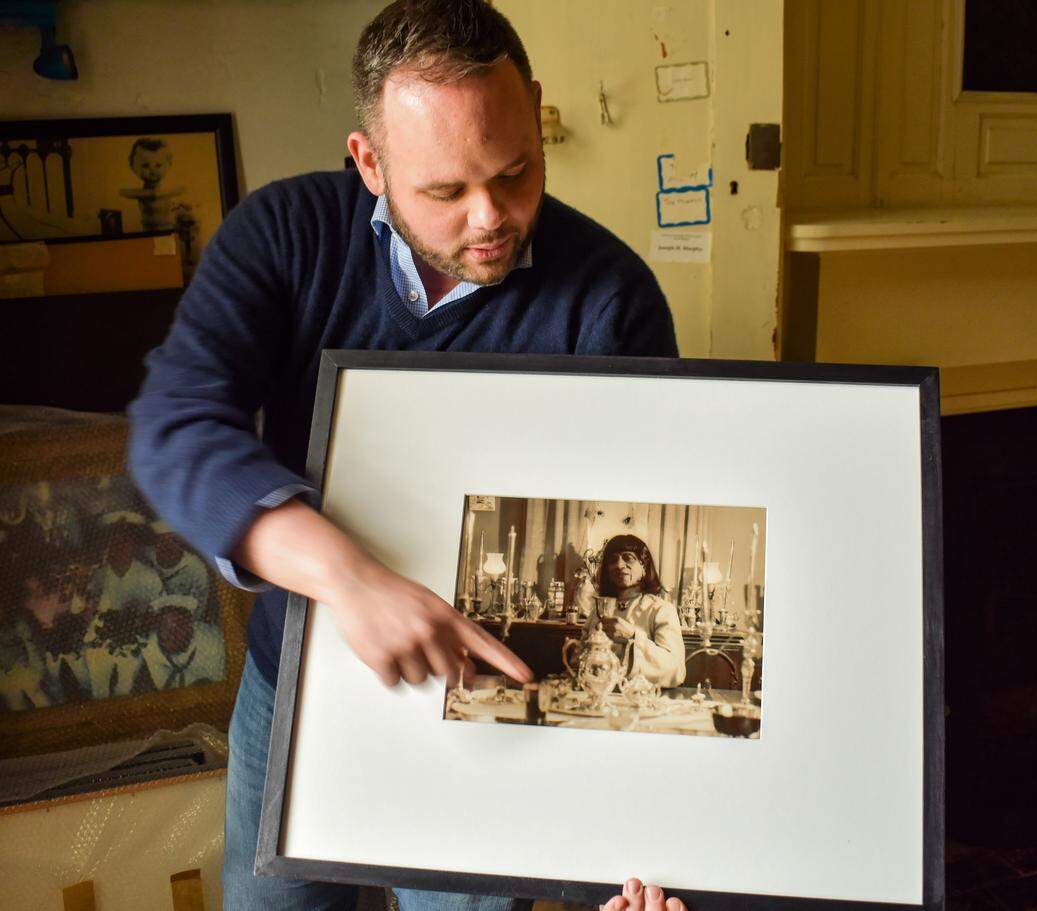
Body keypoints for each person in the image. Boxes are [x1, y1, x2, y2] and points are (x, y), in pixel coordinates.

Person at [127, 2, 678, 909]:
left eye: (516, 173)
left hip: (500, 705)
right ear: (369, 162)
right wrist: (348, 577)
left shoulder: (612, 297)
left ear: (536, 110)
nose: (491, 219)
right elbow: (176, 422)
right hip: (297, 680)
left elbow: (635, 536)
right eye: (445, 192)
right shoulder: (285, 234)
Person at [582, 535, 687, 688]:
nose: (619, 565)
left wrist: (633, 636)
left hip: (641, 701)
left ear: (644, 567)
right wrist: (577, 652)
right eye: (612, 560)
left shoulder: (661, 610)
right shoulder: (598, 610)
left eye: (628, 558)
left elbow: (675, 670)